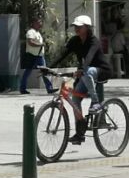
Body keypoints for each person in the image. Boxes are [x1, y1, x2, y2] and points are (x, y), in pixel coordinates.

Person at [48, 14, 111, 145]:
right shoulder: (75, 41)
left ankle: (96, 103)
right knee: (75, 99)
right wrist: (49, 68)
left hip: (101, 71)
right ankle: (79, 133)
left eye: (79, 26)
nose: (76, 29)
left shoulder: (94, 41)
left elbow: (89, 57)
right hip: (86, 72)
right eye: (75, 26)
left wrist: (82, 68)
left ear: (87, 28)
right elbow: (63, 55)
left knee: (88, 71)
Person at [19, 18, 50, 95]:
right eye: (38, 22)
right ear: (33, 23)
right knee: (27, 72)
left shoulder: (38, 32)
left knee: (44, 71)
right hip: (32, 56)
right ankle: (22, 89)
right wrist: (40, 44)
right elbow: (30, 42)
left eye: (40, 22)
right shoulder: (31, 32)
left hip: (39, 56)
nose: (40, 23)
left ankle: (50, 88)